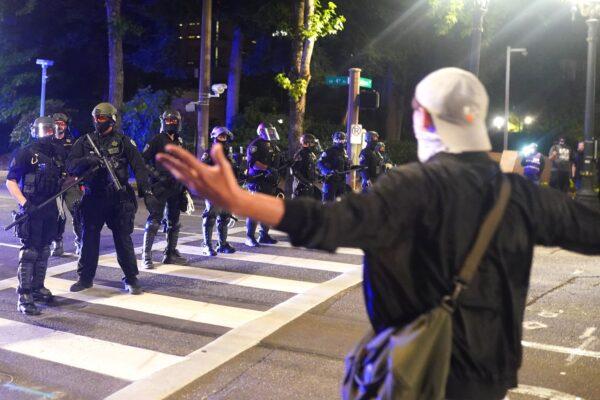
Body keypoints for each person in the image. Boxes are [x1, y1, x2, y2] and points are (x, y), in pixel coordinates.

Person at [157, 67, 600, 400]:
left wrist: (240, 201)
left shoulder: (410, 188)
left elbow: (329, 222)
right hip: (490, 376)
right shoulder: (520, 196)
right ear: (477, 119)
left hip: (413, 371)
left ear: (424, 119)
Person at [66, 102, 156, 294]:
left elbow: (139, 167)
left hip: (118, 198)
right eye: (96, 118)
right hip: (93, 198)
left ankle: (131, 278)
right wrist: (87, 161)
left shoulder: (124, 141)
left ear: (112, 120)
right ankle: (85, 278)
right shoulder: (84, 141)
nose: (98, 122)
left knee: (123, 240)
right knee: (89, 239)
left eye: (102, 118)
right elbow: (70, 165)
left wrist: (146, 192)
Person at [6, 117, 63, 315]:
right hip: (31, 208)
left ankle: (38, 288)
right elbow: (10, 182)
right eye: (44, 130)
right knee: (29, 252)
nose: (47, 134)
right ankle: (24, 294)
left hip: (50, 209)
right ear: (35, 131)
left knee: (44, 250)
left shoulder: (57, 154)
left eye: (50, 130)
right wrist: (25, 203)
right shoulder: (25, 153)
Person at [141, 110, 189, 269]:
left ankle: (170, 253)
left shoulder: (180, 141)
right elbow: (143, 161)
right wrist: (156, 175)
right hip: (160, 186)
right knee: (154, 220)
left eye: (173, 120)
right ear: (163, 121)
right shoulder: (156, 139)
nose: (171, 123)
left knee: (174, 222)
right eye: (168, 120)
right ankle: (146, 255)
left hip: (176, 186)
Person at [201, 126, 239, 255]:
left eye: (224, 136)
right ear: (214, 137)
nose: (223, 138)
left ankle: (222, 244)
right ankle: (207, 245)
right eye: (220, 136)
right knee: (210, 216)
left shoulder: (227, 152)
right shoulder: (209, 152)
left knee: (225, 216)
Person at [49, 112, 83, 256]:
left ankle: (80, 242)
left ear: (66, 126)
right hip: (54, 183)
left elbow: (80, 162)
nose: (59, 126)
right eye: (56, 123)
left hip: (70, 182)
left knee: (78, 212)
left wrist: (80, 180)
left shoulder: (73, 142)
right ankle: (57, 243)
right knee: (57, 215)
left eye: (62, 123)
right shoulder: (47, 141)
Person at [244, 122, 282, 247]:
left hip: (269, 182)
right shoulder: (255, 145)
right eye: (268, 131)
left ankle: (263, 235)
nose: (271, 133)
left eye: (272, 131)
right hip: (257, 181)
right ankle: (249, 237)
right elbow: (253, 162)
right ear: (261, 131)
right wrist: (267, 169)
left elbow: (277, 162)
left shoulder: (273, 145)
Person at [318, 131, 350, 202]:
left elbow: (346, 165)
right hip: (330, 182)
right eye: (339, 140)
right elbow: (320, 163)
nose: (342, 142)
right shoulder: (329, 151)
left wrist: (351, 167)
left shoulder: (344, 152)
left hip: (341, 181)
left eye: (343, 140)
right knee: (328, 203)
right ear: (335, 140)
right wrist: (328, 171)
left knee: (342, 204)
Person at [291, 134, 321, 199]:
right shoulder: (301, 154)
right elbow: (295, 171)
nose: (314, 145)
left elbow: (312, 168)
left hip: (309, 185)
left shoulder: (310, 153)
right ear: (306, 143)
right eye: (312, 143)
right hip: (301, 187)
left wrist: (319, 176)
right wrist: (306, 182)